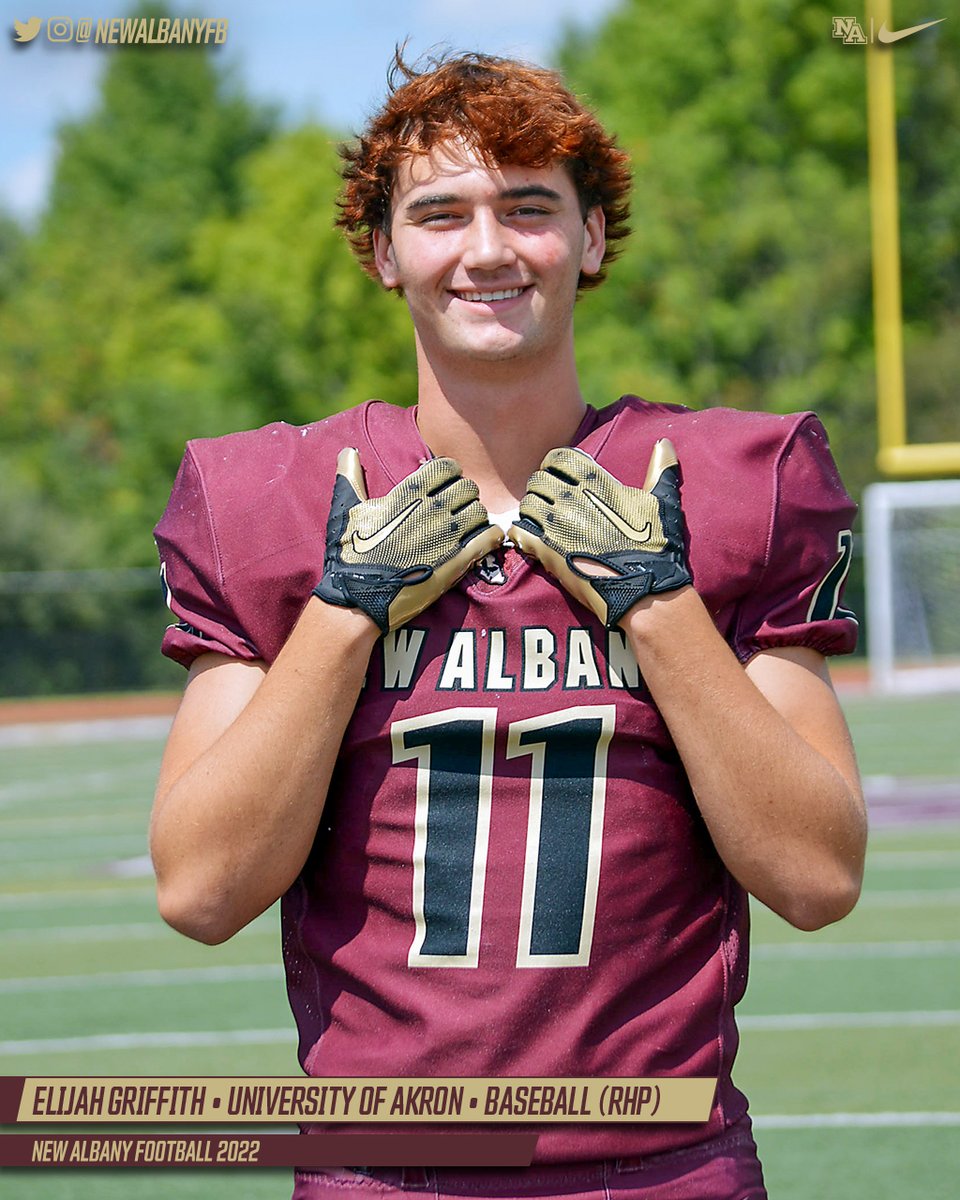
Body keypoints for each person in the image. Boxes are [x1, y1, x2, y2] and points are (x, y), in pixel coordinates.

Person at [151, 50, 866, 1200]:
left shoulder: (724, 485)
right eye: (440, 214)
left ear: (590, 240)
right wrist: (345, 613)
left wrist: (657, 600)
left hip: (661, 1170)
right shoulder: (279, 503)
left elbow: (818, 875)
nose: (487, 250)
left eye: (529, 208)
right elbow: (201, 893)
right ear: (385, 254)